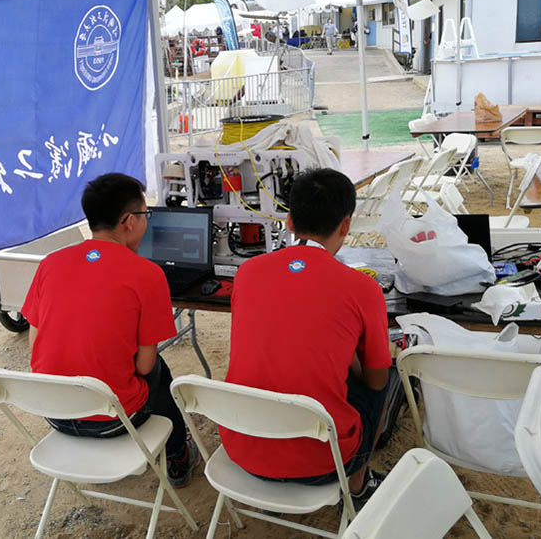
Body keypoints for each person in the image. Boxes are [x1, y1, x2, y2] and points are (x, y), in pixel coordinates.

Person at [220, 168, 393, 505]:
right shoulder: (363, 289)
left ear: (288, 221)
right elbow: (375, 381)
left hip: (241, 449)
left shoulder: (247, 273)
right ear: (345, 225)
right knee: (386, 380)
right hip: (325, 464)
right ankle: (357, 485)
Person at [21, 172, 200, 487]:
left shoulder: (50, 264)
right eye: (146, 215)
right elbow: (144, 366)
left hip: (54, 412)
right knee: (159, 370)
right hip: (114, 420)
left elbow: (36, 343)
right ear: (129, 221)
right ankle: (177, 456)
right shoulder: (147, 274)